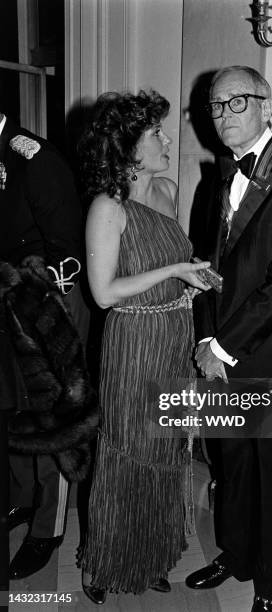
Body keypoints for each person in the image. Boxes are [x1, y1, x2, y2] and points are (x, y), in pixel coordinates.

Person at [185, 66, 272, 612]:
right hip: (221, 354)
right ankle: (235, 555)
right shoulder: (214, 179)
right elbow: (207, 270)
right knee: (233, 464)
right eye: (214, 106)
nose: (222, 116)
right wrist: (205, 339)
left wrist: (220, 347)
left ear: (267, 106)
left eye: (234, 103)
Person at [78, 90, 210, 604]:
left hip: (174, 336)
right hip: (133, 343)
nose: (166, 138)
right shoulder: (107, 207)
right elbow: (105, 293)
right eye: (155, 132)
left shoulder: (169, 190)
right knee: (127, 450)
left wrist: (191, 274)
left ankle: (149, 555)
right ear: (127, 147)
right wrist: (175, 270)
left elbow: (171, 257)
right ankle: (105, 562)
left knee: (167, 450)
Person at [0, 111, 90, 580]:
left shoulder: (33, 157)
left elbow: (67, 250)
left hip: (44, 306)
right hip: (8, 304)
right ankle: (22, 498)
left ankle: (46, 527)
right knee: (13, 408)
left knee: (50, 416)